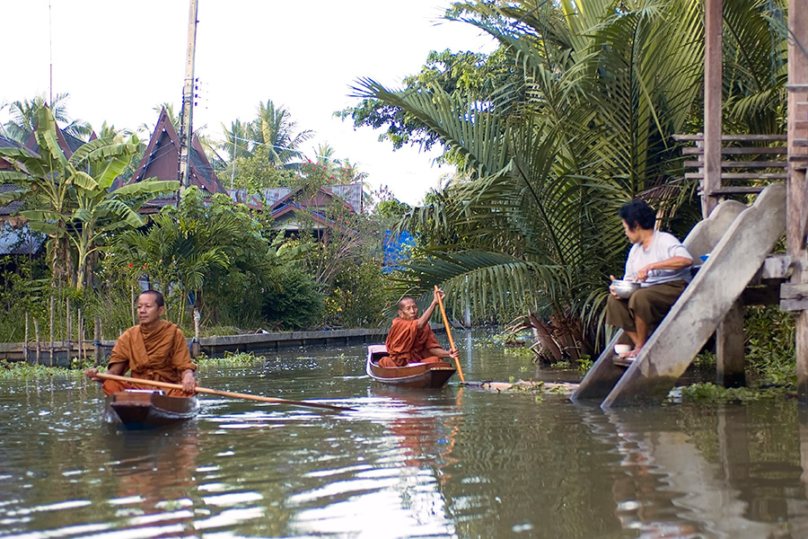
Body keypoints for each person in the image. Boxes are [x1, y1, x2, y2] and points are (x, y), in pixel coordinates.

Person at [606, 200, 693, 359]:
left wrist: (652, 266)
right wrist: (617, 289)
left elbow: (686, 260)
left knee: (641, 297)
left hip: (674, 287)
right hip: (646, 292)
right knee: (614, 301)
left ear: (636, 225)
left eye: (626, 228)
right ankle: (640, 343)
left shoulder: (664, 240)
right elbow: (630, 281)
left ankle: (640, 347)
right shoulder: (635, 251)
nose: (625, 232)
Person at [84, 290, 197, 397]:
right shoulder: (129, 336)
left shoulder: (174, 334)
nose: (142, 310)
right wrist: (99, 376)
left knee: (192, 388)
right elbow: (114, 373)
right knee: (111, 384)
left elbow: (184, 366)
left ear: (160, 310)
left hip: (168, 390)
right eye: (139, 307)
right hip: (137, 390)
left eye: (148, 307)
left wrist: (188, 377)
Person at [379, 288, 460, 368]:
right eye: (408, 309)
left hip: (415, 363)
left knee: (436, 360)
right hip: (398, 364)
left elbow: (431, 348)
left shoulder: (425, 326)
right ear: (401, 313)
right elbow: (419, 325)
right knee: (385, 362)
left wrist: (448, 354)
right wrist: (434, 303)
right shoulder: (398, 323)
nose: (412, 311)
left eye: (414, 307)